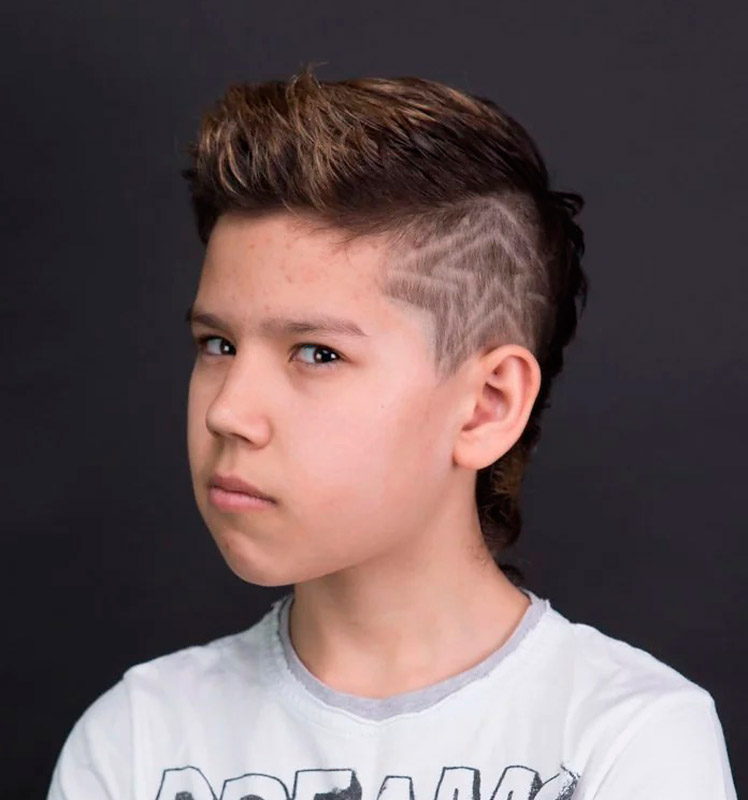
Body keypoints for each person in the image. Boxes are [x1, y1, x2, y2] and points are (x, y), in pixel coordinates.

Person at [46, 64, 737, 800]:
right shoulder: (139, 740)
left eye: (318, 353)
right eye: (218, 344)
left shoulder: (626, 741)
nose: (227, 412)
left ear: (486, 406)